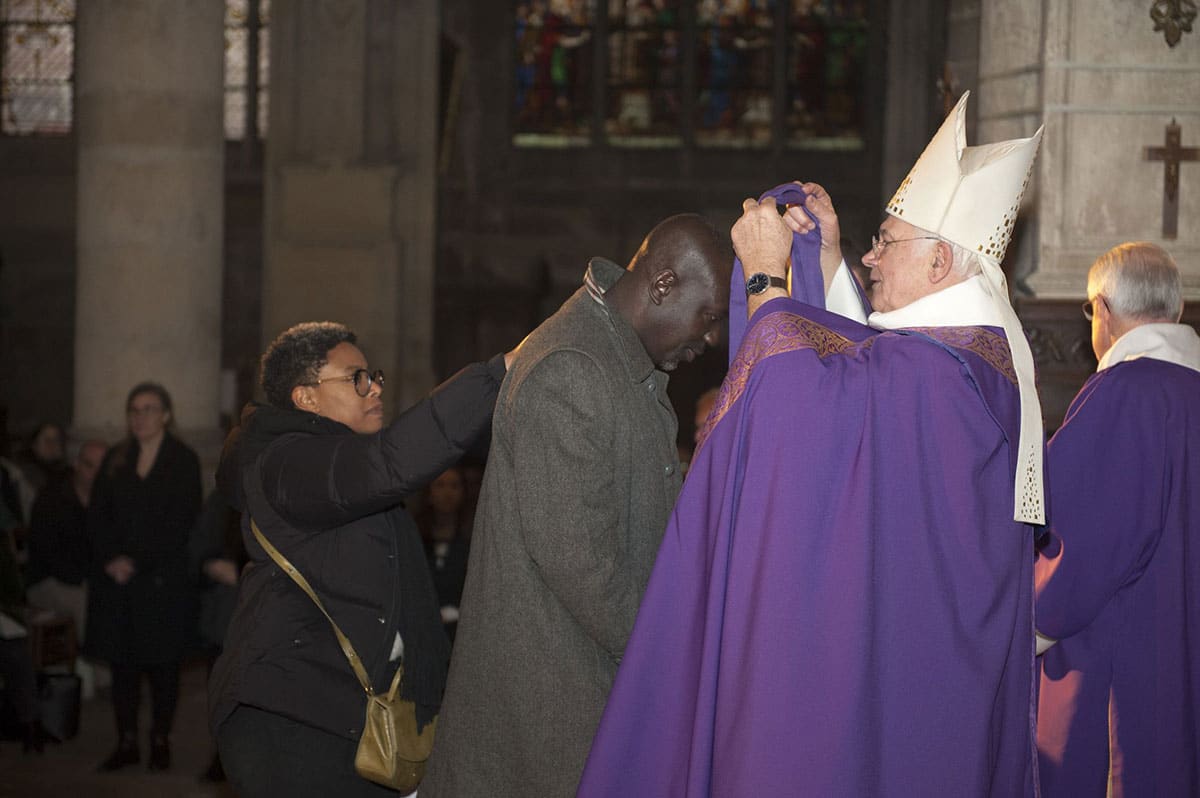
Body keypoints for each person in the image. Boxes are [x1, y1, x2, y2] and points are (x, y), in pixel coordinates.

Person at [578, 91, 1046, 796]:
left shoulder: (941, 377)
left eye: (887, 241)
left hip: (894, 690)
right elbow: (864, 383)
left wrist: (768, 277)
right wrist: (824, 260)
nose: (872, 255)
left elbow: (803, 421)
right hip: (921, 681)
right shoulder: (967, 359)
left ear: (942, 264)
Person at [423, 213, 733, 798]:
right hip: (554, 707)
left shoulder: (621, 362)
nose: (712, 338)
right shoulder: (574, 367)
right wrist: (669, 653)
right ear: (664, 285)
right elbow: (579, 561)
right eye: (710, 316)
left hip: (590, 686)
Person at [210, 321, 513, 798]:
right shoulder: (287, 461)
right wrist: (497, 373)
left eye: (373, 376)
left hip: (346, 713)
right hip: (295, 715)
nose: (374, 388)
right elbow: (391, 464)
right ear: (306, 397)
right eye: (355, 378)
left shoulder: (337, 463)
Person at [1034, 242, 1200, 797]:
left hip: (1126, 673)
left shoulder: (1122, 395)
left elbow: (1078, 553)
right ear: (1174, 310)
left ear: (1102, 311)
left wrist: (1022, 616)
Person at [85, 383, 202, 773]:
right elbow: (98, 516)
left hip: (162, 581)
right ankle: (127, 741)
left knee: (163, 667)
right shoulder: (117, 458)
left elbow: (182, 522)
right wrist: (111, 558)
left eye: (149, 409)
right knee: (124, 667)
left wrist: (136, 560)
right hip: (120, 581)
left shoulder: (182, 460)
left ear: (166, 414)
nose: (140, 417)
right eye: (134, 410)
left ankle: (160, 739)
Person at [26, 439, 107, 645]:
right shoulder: (51, 499)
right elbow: (48, 555)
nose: (96, 473)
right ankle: (102, 674)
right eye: (89, 465)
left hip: (87, 578)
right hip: (48, 580)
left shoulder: (106, 501)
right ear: (77, 465)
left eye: (102, 467)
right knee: (88, 604)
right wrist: (85, 579)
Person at [415, 467, 472, 643]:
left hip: (461, 638)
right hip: (421, 636)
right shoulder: (414, 541)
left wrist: (453, 613)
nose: (447, 493)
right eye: (440, 485)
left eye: (454, 486)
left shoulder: (473, 543)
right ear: (429, 492)